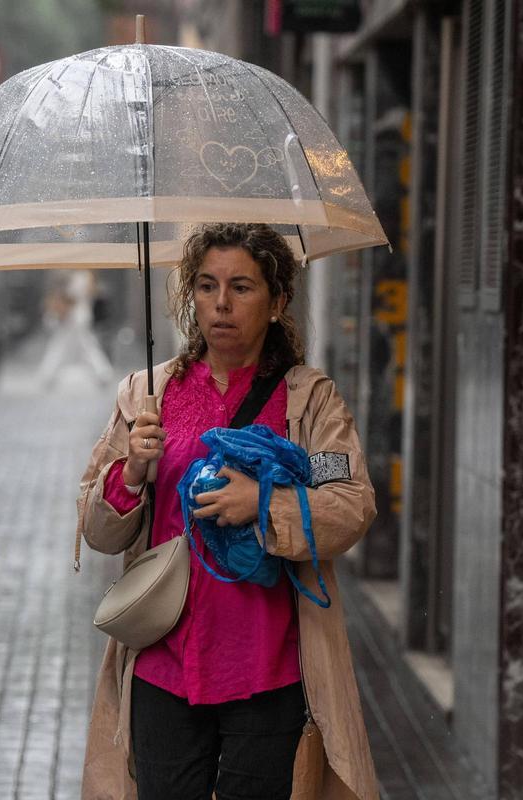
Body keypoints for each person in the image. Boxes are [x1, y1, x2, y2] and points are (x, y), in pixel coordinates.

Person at [76, 223, 380, 800]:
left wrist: (264, 505)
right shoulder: (148, 395)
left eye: (241, 287)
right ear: (190, 295)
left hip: (267, 669)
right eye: (207, 285)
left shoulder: (309, 401)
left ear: (277, 301)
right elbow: (97, 532)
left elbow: (350, 504)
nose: (221, 303)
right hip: (165, 662)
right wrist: (132, 472)